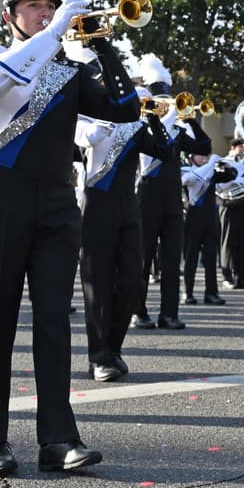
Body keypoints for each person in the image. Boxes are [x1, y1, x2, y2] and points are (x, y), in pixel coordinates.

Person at [0, 0, 140, 475]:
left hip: (58, 203)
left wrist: (105, 51)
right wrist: (58, 31)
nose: (46, 14)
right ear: (10, 14)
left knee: (54, 321)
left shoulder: (70, 69)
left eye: (50, 5)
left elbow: (124, 109)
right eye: (36, 7)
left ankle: (58, 438)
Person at [75, 80, 174, 382]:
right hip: (96, 207)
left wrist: (155, 118)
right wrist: (112, 118)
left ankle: (113, 348)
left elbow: (166, 150)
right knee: (98, 285)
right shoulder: (87, 120)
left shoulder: (135, 127)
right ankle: (98, 357)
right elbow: (88, 137)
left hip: (128, 209)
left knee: (133, 281)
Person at [133, 55, 211, 330]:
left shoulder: (176, 131)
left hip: (172, 199)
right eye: (163, 103)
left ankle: (169, 313)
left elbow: (204, 147)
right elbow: (157, 140)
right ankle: (138, 310)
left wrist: (191, 119)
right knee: (142, 257)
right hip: (147, 195)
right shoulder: (143, 126)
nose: (169, 108)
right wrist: (170, 116)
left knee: (171, 258)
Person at [181, 152, 235, 305]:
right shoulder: (187, 170)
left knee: (211, 258)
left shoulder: (212, 171)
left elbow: (230, 176)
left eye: (205, 154)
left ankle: (211, 293)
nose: (203, 157)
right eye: (199, 155)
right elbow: (187, 181)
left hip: (211, 218)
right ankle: (188, 292)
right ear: (191, 157)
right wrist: (210, 163)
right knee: (190, 257)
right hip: (193, 217)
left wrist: (227, 165)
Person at [218, 138, 244, 289]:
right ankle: (227, 277)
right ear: (233, 148)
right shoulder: (223, 162)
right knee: (228, 242)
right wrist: (237, 182)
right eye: (242, 147)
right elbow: (219, 184)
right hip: (228, 205)